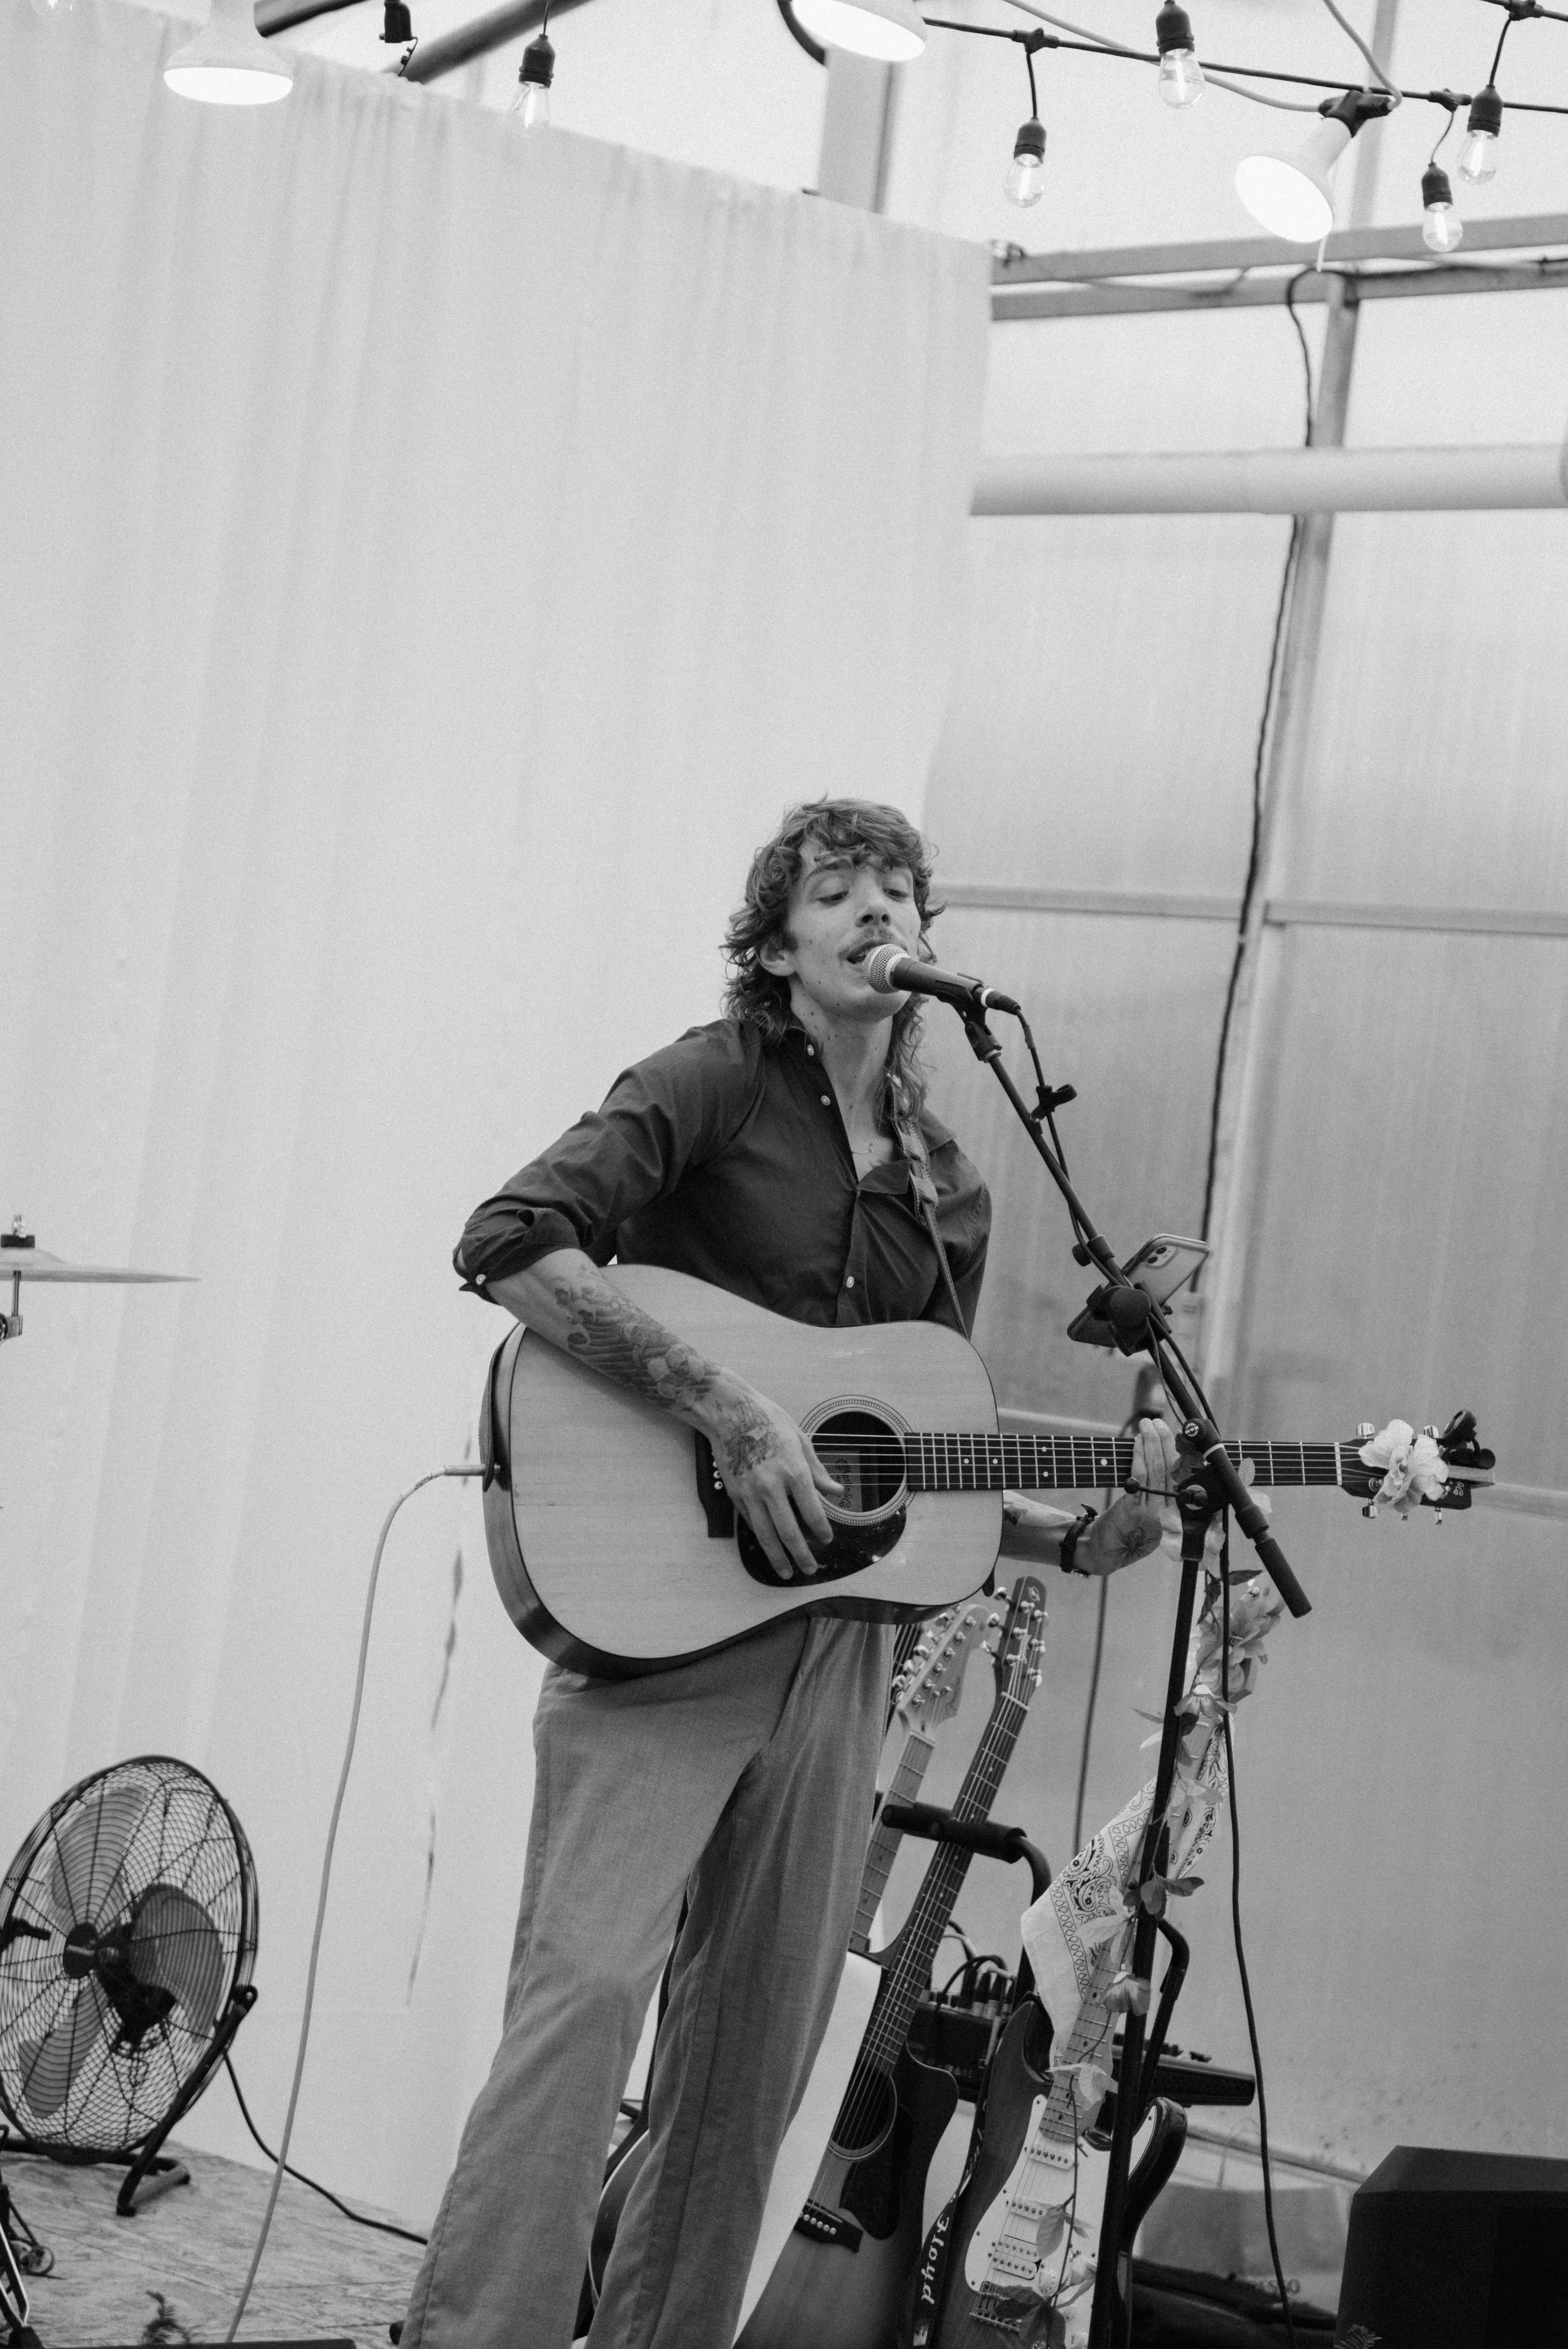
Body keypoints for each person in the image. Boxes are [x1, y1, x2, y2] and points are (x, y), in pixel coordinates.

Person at [400, 798, 1179, 2349]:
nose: (879, 910)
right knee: (582, 2007)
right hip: (658, 1635)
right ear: (776, 943)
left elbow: (889, 1475)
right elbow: (508, 1238)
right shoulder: (708, 1082)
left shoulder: (950, 1186)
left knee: (749, 2058)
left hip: (839, 1651)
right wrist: (723, 1405)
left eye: (900, 890)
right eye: (839, 891)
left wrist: (1064, 1534)